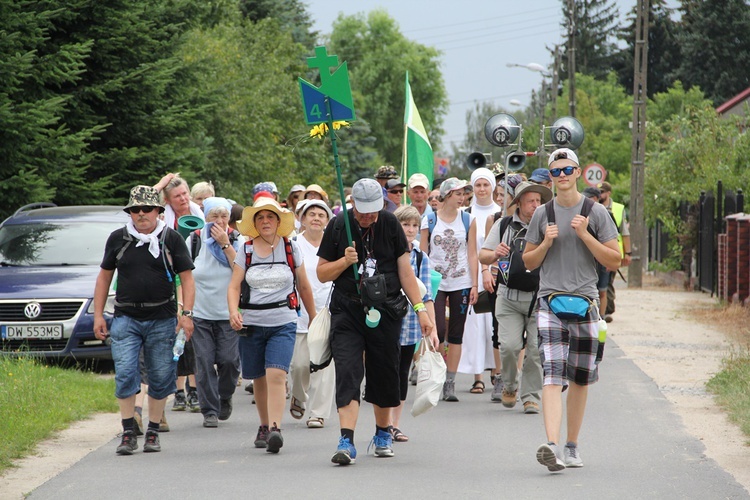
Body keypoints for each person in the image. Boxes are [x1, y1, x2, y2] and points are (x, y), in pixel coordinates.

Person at [317, 178, 435, 465]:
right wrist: (345, 262)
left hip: (386, 310)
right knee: (348, 370)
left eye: (374, 209)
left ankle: (383, 432)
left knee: (384, 370)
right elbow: (322, 273)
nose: (369, 216)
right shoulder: (337, 225)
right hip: (348, 310)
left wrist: (420, 309)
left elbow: (405, 271)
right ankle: (346, 439)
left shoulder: (390, 224)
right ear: (352, 205)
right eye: (363, 211)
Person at [522, 148, 620, 472]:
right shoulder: (542, 214)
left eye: (567, 170)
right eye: (555, 171)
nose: (561, 176)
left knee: (579, 378)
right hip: (550, 301)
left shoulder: (596, 212)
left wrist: (584, 234)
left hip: (587, 302)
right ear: (550, 177)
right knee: (552, 372)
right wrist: (546, 243)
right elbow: (528, 261)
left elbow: (614, 259)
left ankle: (572, 445)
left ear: (578, 173)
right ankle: (552, 445)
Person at [94, 185, 195, 455]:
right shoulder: (119, 238)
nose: (141, 214)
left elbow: (186, 278)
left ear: (158, 211)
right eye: (135, 209)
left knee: (161, 376)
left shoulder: (170, 238)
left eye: (146, 209)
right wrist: (98, 315)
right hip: (126, 316)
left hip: (162, 317)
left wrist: (186, 315)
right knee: (126, 373)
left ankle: (152, 431)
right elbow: (104, 276)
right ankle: (128, 432)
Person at [227, 197, 316, 454]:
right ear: (255, 223)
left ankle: (276, 428)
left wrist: (313, 316)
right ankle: (264, 425)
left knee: (277, 374)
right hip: (252, 323)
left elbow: (304, 285)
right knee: (258, 378)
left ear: (279, 221)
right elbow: (234, 286)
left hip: (283, 321)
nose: (265, 222)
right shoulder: (246, 250)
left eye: (270, 217)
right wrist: (234, 311)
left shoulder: (291, 248)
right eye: (260, 218)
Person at [480, 181, 552, 415]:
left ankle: (531, 396)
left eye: (538, 201)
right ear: (519, 202)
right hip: (508, 297)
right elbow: (482, 255)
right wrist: (495, 254)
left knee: (534, 349)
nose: (535, 205)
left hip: (538, 298)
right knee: (509, 347)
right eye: (530, 201)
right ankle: (510, 385)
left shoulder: (547, 228)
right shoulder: (504, 225)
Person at [420, 178, 478, 402]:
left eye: (463, 193)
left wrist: (474, 284)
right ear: (446, 195)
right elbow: (423, 254)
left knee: (456, 332)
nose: (461, 197)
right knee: (438, 327)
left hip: (461, 280)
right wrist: (421, 283)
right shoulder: (430, 219)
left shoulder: (467, 219)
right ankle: (438, 372)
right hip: (436, 280)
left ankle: (450, 381)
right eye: (457, 193)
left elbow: (472, 252)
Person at [187, 197, 242, 428]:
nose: (219, 221)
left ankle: (225, 394)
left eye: (224, 217)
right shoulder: (195, 239)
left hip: (228, 313)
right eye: (213, 217)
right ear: (205, 217)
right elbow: (185, 275)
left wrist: (224, 243)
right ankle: (209, 409)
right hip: (201, 313)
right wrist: (185, 310)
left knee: (229, 362)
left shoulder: (238, 239)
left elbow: (241, 268)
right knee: (204, 362)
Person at [155, 173, 204, 411]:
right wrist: (162, 184)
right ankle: (177, 390)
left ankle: (193, 390)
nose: (183, 198)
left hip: (195, 278)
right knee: (175, 332)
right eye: (177, 196)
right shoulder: (162, 216)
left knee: (191, 332)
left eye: (185, 193)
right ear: (168, 200)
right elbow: (146, 201)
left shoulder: (198, 213)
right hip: (169, 278)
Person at [390, 205, 438, 442]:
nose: (410, 230)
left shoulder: (421, 257)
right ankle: (382, 422)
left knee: (401, 373)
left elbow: (427, 295)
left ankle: (394, 424)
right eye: (405, 225)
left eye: (414, 226)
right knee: (384, 372)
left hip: (410, 323)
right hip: (385, 321)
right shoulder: (385, 252)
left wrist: (432, 327)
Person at [288, 200, 337, 429]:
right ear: (303, 219)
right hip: (299, 314)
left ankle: (317, 413)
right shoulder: (293, 244)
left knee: (324, 365)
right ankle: (299, 394)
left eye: (321, 215)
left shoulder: (334, 244)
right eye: (312, 214)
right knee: (299, 365)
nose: (316, 218)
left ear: (327, 221)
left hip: (328, 312)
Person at [459, 168, 499, 395]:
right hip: (472, 274)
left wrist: (491, 272)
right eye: (478, 185)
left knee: (494, 326)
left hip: (496, 275)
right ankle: (478, 377)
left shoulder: (500, 213)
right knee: (474, 327)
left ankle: (496, 371)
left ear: (493, 187)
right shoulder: (466, 214)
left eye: (486, 185)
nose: (482, 189)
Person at [598, 181, 632, 322]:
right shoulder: (594, 207)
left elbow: (625, 232)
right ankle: (605, 311)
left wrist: (628, 253)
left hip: (614, 252)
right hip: (599, 252)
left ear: (608, 193)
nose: (600, 195)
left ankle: (606, 311)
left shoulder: (618, 209)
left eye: (602, 192)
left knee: (606, 283)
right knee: (603, 284)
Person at [583, 187, 610, 318]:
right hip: (587, 262)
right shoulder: (580, 214)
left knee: (603, 291)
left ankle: (602, 317)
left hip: (602, 261)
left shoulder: (602, 213)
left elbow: (612, 240)